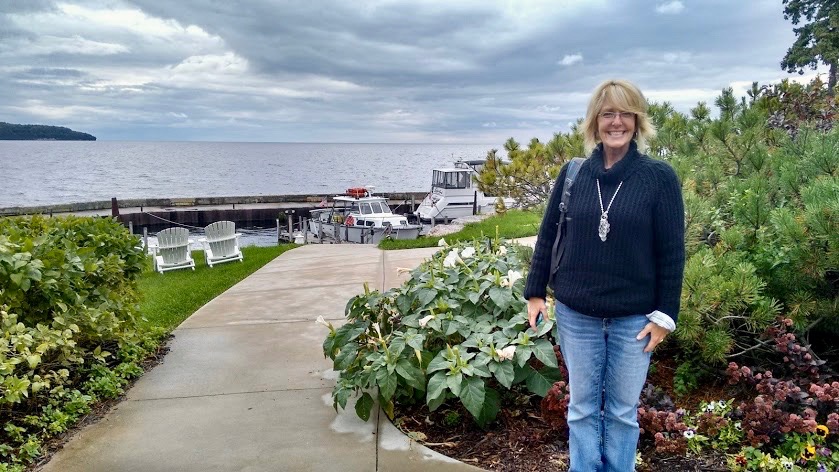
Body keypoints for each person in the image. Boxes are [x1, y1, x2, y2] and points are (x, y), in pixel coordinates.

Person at [523, 79, 685, 472]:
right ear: (595, 122)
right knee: (580, 408)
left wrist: (665, 316)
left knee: (622, 412)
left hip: (635, 319)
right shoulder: (574, 174)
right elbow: (548, 235)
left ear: (638, 121)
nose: (617, 122)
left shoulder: (658, 178)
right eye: (607, 113)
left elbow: (672, 253)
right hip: (578, 314)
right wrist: (535, 293)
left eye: (625, 113)